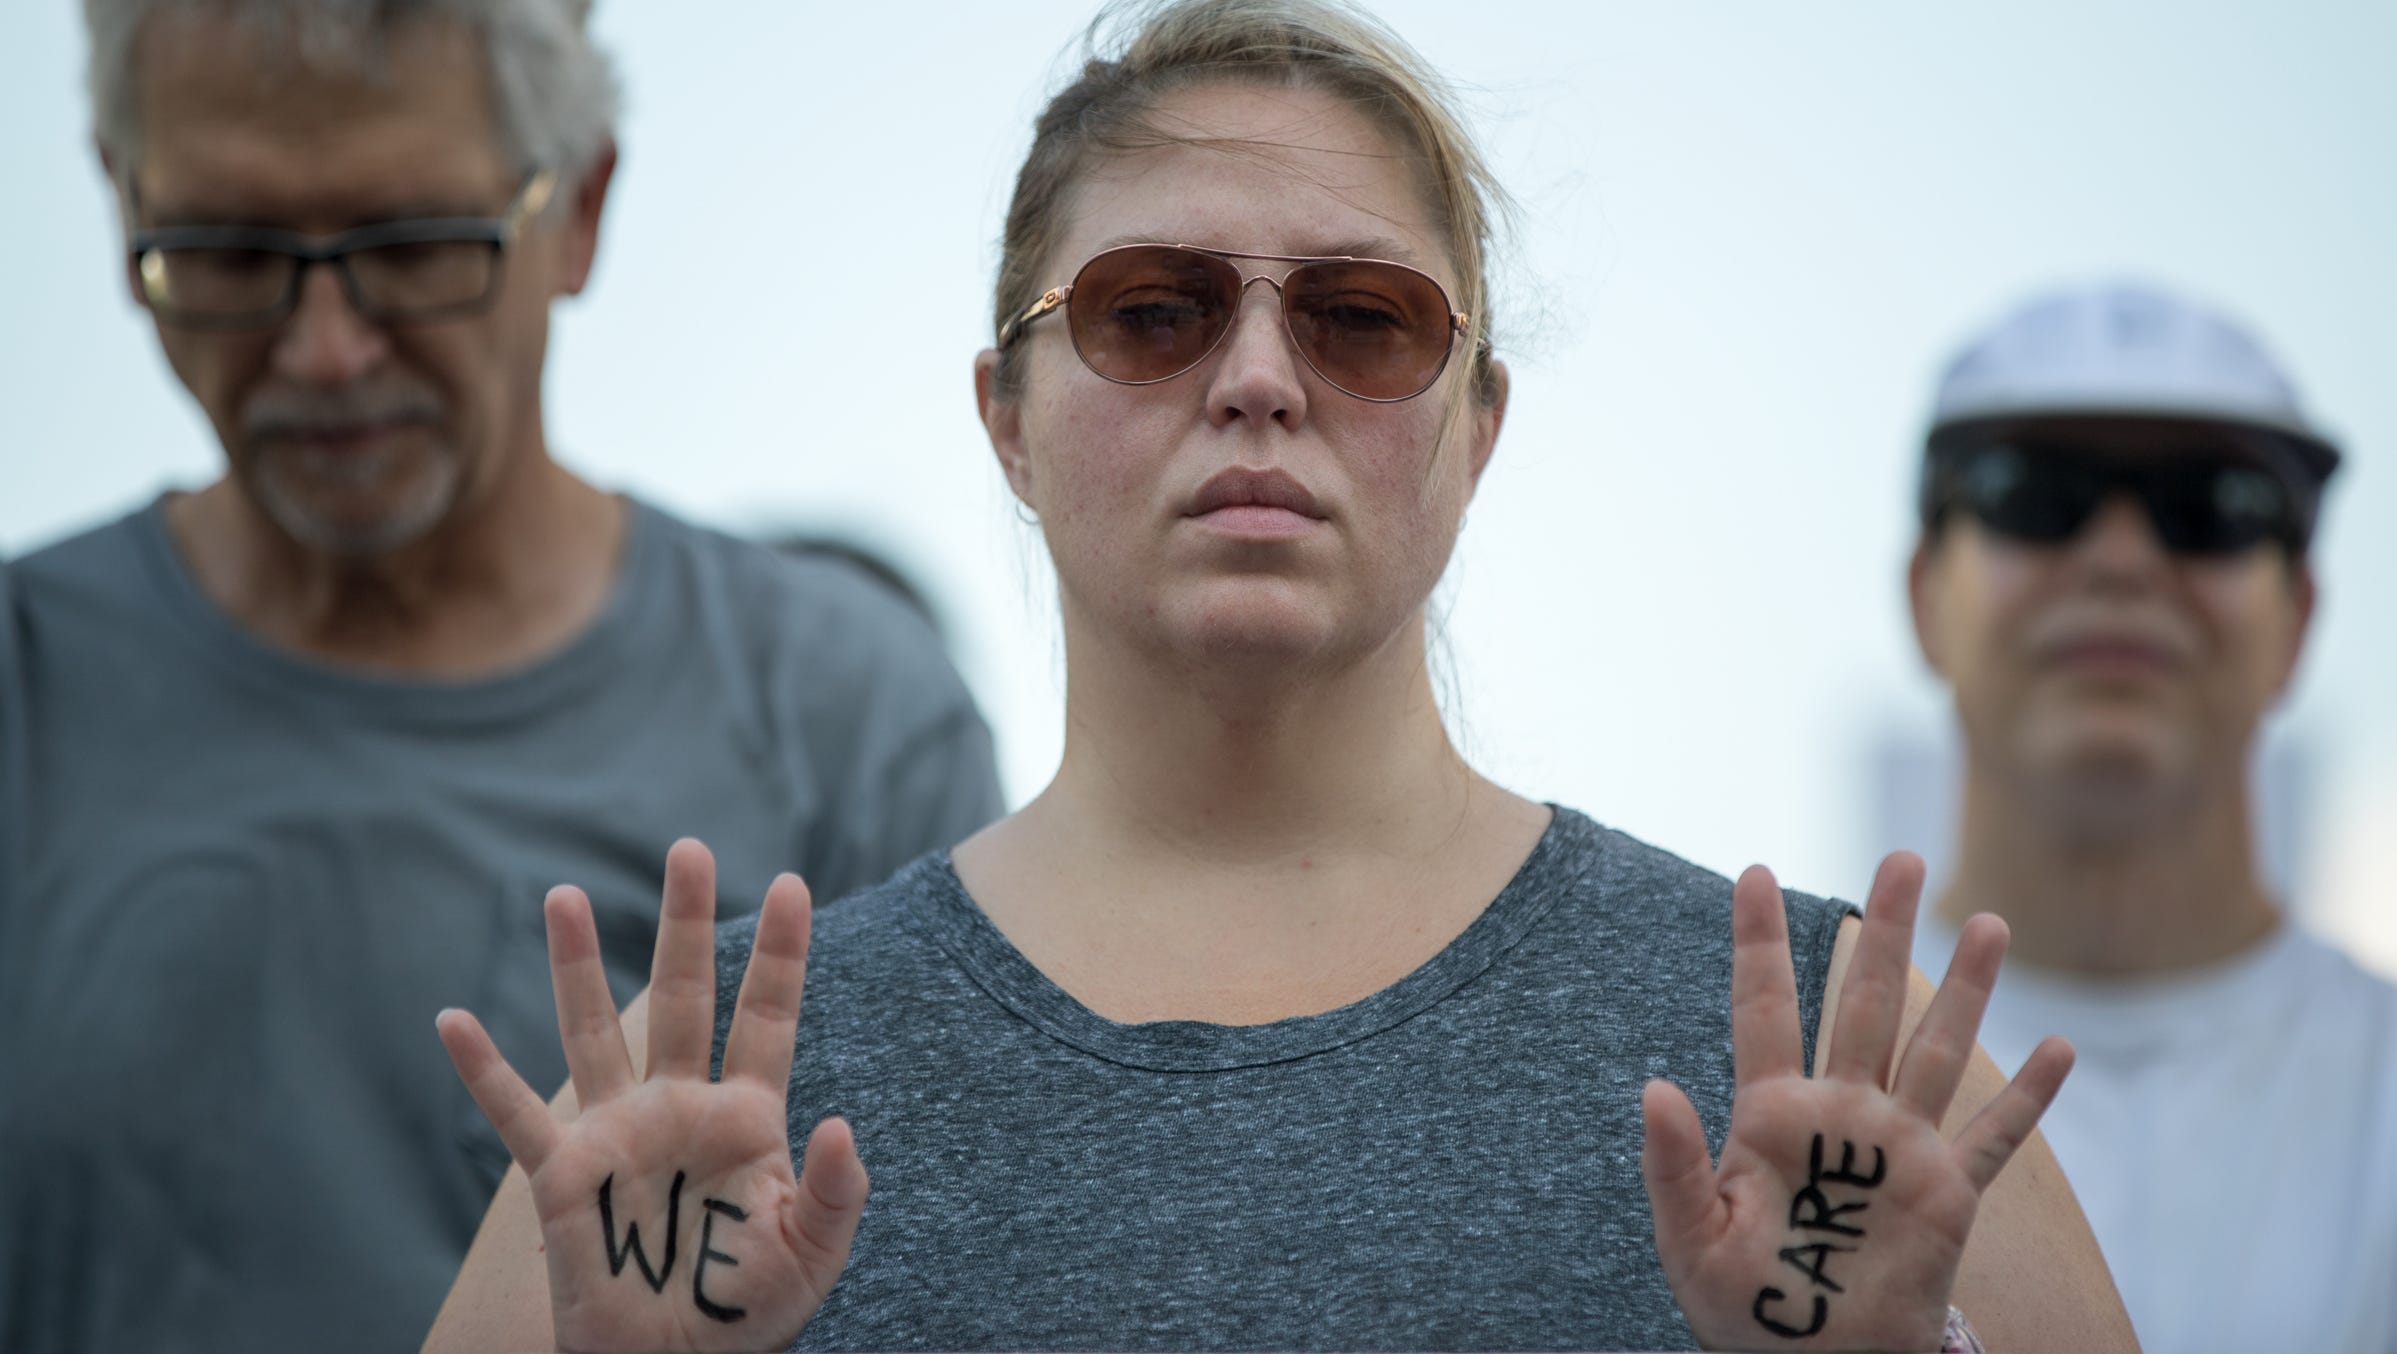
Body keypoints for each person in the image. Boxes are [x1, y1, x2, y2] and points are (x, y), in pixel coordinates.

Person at [425, 1, 2138, 1348]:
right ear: (1002, 416)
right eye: (1151, 311)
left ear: (1476, 426)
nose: (1255, 375)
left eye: (1363, 317)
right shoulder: (697, 1083)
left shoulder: (1835, 1068)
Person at [0, 3, 1002, 1352]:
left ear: (579, 203)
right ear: (121, 206)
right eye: (228, 250)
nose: (325, 348)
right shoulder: (28, 690)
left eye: (414, 247)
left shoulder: (846, 724)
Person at [1906, 282, 2397, 1354]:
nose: (2122, 560)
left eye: (2210, 504)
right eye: (2037, 493)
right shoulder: (1765, 1079)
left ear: (2300, 620)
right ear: (1923, 595)